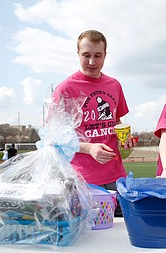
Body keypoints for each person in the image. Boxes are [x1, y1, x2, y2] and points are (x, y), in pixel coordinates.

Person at [52, 30, 134, 216]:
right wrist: (88, 148)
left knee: (118, 234)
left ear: (105, 54)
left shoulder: (114, 85)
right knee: (88, 236)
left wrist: (125, 139)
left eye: (98, 55)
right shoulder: (65, 89)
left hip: (115, 176)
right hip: (82, 180)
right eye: (86, 55)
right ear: (78, 54)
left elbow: (117, 121)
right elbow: (53, 136)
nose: (92, 62)